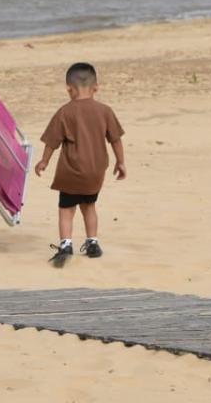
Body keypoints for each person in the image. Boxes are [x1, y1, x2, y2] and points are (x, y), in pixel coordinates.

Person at [34, 62, 126, 267]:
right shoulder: (105, 111)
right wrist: (121, 162)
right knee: (89, 206)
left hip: (71, 172)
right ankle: (92, 242)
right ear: (96, 87)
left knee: (66, 209)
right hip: (95, 172)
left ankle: (66, 244)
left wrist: (44, 161)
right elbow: (116, 139)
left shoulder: (65, 112)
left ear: (69, 89)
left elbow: (52, 142)